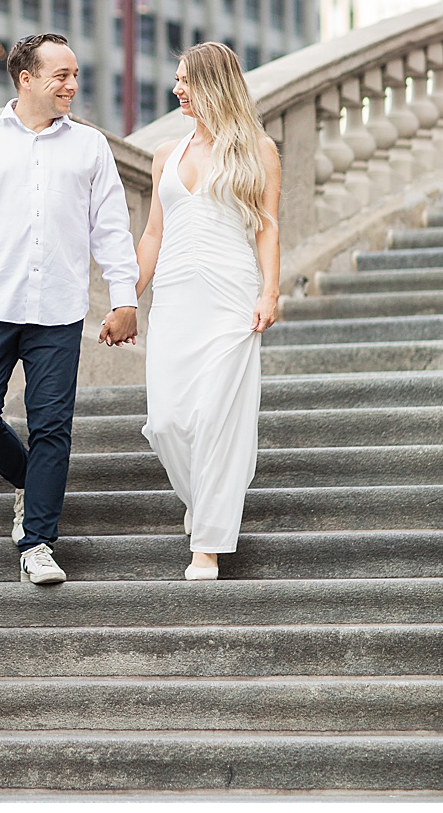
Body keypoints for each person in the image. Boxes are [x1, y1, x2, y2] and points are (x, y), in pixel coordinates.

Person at [0, 33, 139, 586]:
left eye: (74, 75)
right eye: (61, 76)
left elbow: (112, 227)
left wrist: (125, 299)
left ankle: (38, 542)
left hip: (59, 309)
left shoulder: (90, 147)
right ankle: (32, 480)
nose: (72, 85)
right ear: (26, 79)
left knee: (53, 426)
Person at [110, 42, 281, 581]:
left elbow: (267, 227)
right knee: (164, 422)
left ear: (214, 83)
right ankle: (204, 498)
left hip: (231, 296)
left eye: (185, 80)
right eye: (177, 78)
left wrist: (269, 293)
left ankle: (206, 544)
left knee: (214, 419)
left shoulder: (258, 148)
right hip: (176, 296)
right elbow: (154, 233)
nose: (177, 88)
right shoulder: (167, 153)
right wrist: (125, 298)